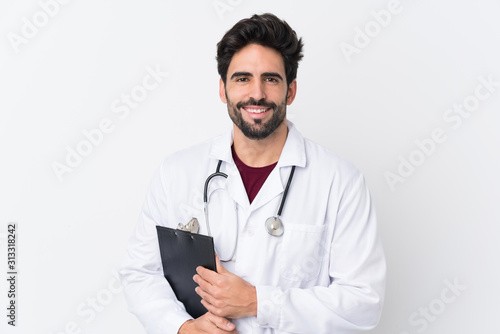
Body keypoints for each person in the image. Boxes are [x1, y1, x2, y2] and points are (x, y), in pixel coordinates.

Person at [120, 13, 386, 334]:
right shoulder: (177, 173)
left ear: (291, 91)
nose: (256, 93)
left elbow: (364, 302)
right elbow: (141, 272)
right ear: (223, 89)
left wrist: (258, 303)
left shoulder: (340, 182)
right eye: (242, 78)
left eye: (271, 79)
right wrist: (182, 327)